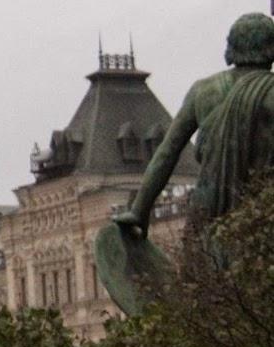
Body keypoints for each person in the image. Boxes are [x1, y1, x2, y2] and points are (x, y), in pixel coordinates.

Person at [117, 13, 274, 253]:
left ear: (231, 48)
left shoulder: (203, 91)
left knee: (203, 280)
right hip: (262, 211)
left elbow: (167, 153)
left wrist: (140, 209)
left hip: (208, 208)